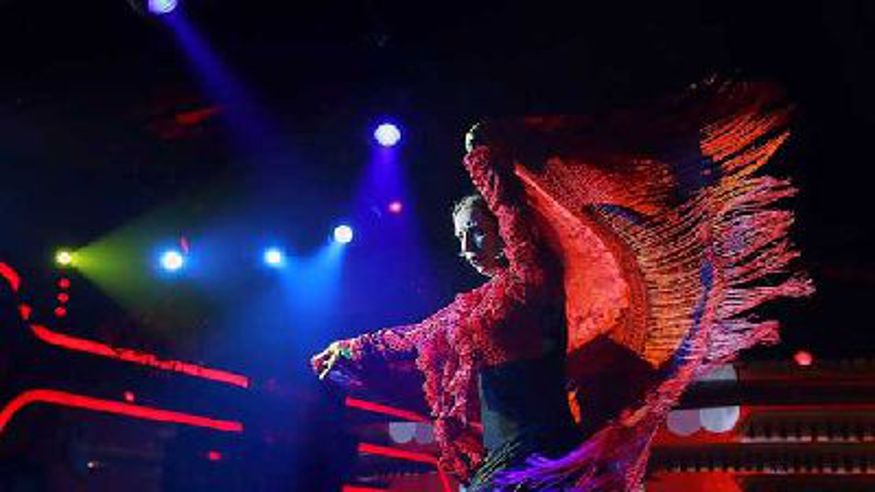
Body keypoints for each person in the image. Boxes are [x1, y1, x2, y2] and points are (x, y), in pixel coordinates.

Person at [311, 79, 814, 490]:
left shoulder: (532, 281)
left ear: (503, 231)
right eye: (459, 239)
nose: (466, 247)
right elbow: (415, 337)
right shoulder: (470, 308)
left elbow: (513, 211)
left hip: (542, 461)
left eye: (476, 232)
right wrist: (351, 348)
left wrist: (485, 162)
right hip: (498, 468)